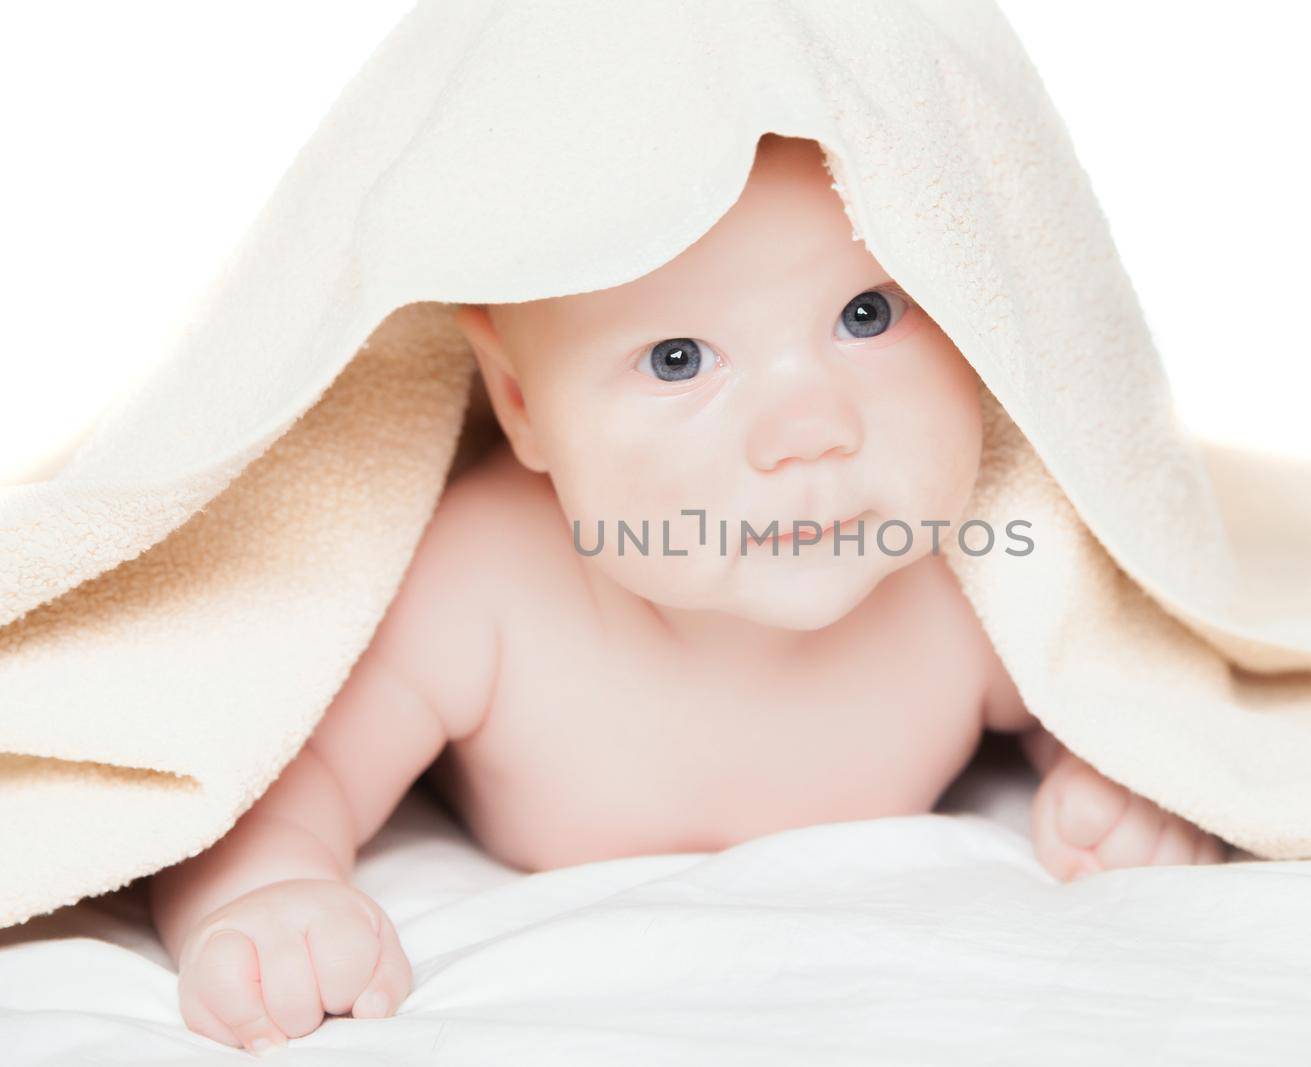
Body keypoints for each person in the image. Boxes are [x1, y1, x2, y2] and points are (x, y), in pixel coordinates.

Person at [148, 134, 1224, 1055]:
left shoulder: (966, 573)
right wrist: (270, 894)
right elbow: (283, 765)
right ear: (520, 400)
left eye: (864, 312)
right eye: (675, 358)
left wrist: (1109, 767)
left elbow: (1094, 671)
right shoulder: (483, 586)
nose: (809, 426)